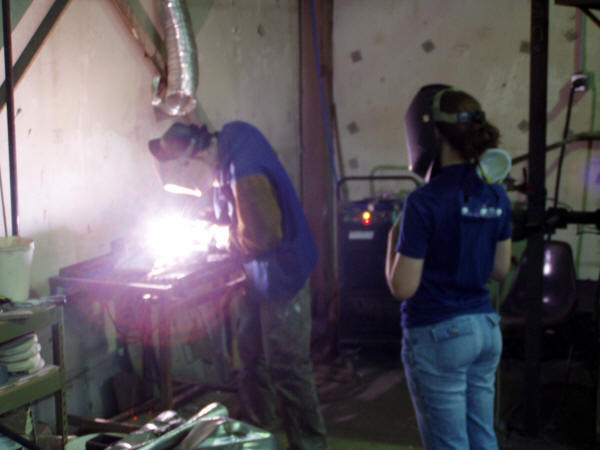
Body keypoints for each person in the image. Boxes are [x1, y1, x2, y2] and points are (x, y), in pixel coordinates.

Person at [148, 120, 329, 450]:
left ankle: (311, 447)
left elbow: (263, 234)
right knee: (251, 362)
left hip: (282, 274)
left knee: (286, 369)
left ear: (194, 160)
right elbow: (236, 211)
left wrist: (215, 237)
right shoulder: (228, 146)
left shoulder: (242, 164)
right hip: (253, 277)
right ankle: (259, 440)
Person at [385, 85, 512, 449]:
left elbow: (402, 288)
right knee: (482, 438)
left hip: (439, 334)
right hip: (485, 330)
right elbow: (500, 270)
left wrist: (393, 240)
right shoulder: (496, 193)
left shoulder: (423, 201)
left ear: (433, 133)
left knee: (449, 444)